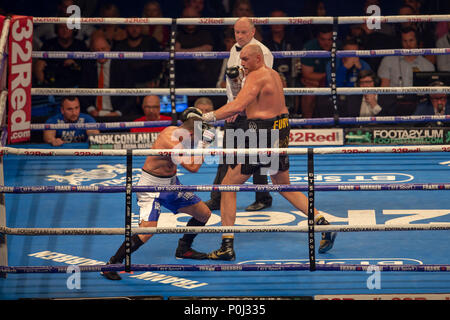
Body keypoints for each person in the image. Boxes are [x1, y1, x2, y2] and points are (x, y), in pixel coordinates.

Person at [201, 44, 336, 260]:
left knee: (228, 185)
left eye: (245, 59)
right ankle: (322, 223)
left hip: (261, 134)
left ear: (258, 58)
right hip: (279, 130)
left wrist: (205, 117)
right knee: (283, 186)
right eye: (240, 59)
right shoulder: (272, 75)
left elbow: (237, 106)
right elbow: (251, 105)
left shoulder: (256, 76)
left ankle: (226, 245)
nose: (242, 63)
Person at [102, 108, 214, 280]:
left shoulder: (184, 134)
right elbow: (193, 167)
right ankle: (111, 264)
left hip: (172, 184)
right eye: (196, 135)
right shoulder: (171, 140)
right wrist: (204, 144)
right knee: (147, 232)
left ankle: (184, 248)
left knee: (204, 214)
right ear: (190, 132)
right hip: (151, 187)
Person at [204, 17, 273, 213]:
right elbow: (232, 84)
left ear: (253, 32)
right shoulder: (233, 50)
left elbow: (260, 85)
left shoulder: (263, 53)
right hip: (234, 110)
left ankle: (263, 197)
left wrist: (239, 107)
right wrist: (231, 107)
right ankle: (217, 197)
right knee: (227, 155)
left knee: (256, 156)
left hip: (254, 112)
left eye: (244, 32)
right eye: (237, 32)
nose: (240, 36)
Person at [79, 35, 137, 117]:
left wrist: (118, 113)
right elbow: (82, 91)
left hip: (117, 113)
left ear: (109, 48)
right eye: (97, 50)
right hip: (93, 114)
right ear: (92, 52)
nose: (100, 53)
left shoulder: (122, 66)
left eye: (103, 49)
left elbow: (131, 95)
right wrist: (91, 109)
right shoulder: (88, 66)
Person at [33, 23, 87, 88]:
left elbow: (87, 69)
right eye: (61, 27)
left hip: (75, 86)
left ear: (74, 29)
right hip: (52, 85)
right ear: (56, 29)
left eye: (68, 27)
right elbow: (39, 66)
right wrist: (45, 84)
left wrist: (75, 65)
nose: (64, 30)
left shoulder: (81, 45)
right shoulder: (49, 44)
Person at [299, 25, 333, 118]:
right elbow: (307, 74)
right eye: (323, 39)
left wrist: (328, 79)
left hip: (336, 82)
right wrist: (326, 79)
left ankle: (340, 125)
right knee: (309, 90)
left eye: (330, 39)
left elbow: (342, 72)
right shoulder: (310, 47)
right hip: (317, 83)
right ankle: (307, 127)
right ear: (318, 38)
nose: (326, 43)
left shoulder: (339, 46)